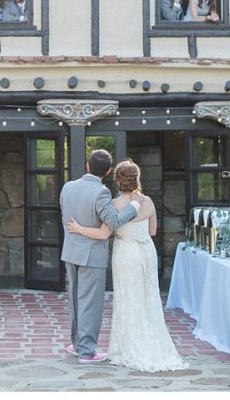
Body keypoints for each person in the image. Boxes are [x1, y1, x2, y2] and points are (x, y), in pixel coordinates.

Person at [66, 160, 188, 373]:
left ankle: (128, 347)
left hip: (125, 254)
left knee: (127, 299)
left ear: (116, 179)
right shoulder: (148, 201)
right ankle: (151, 344)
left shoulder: (113, 205)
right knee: (147, 298)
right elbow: (152, 231)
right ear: (137, 178)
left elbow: (104, 234)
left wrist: (78, 228)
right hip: (146, 252)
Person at [60, 150, 144, 363]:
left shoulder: (67, 187)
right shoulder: (101, 192)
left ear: (87, 165)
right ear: (108, 171)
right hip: (92, 253)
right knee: (90, 303)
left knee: (75, 301)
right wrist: (133, 207)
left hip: (71, 251)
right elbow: (114, 222)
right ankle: (87, 352)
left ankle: (77, 344)